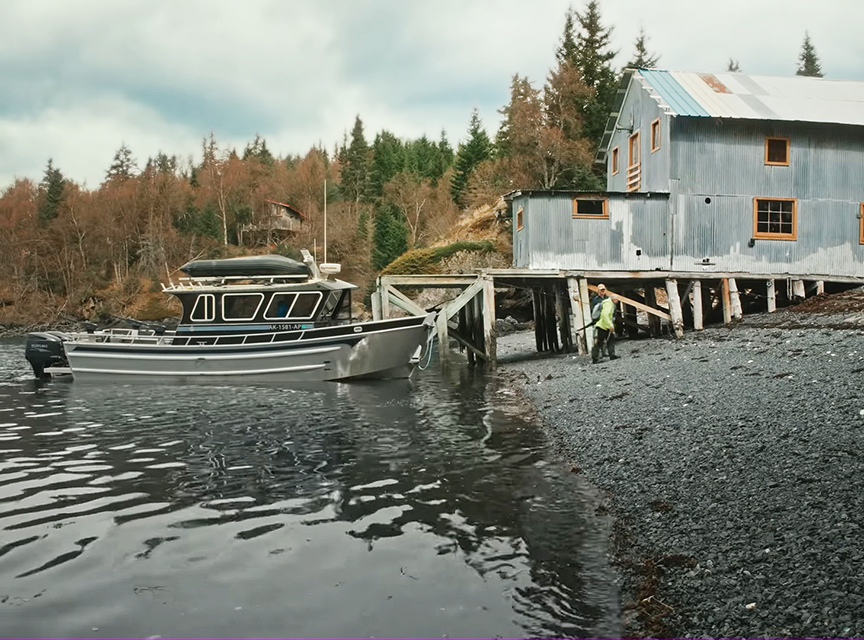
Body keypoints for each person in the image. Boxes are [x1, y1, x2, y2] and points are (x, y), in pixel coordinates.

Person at [592, 294, 619, 364]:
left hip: (605, 325)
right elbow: (605, 315)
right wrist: (610, 325)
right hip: (602, 326)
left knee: (611, 340)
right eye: (617, 300)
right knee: (599, 343)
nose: (617, 301)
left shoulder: (609, 303)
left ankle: (612, 355)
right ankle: (595, 358)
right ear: (613, 299)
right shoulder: (608, 304)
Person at [590, 284, 608, 357]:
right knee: (597, 338)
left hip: (606, 320)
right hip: (598, 321)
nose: (602, 291)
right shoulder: (595, 300)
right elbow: (593, 311)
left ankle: (604, 353)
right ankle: (596, 355)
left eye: (603, 289)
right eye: (601, 290)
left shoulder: (607, 299)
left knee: (605, 338)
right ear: (598, 291)